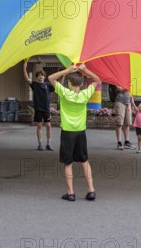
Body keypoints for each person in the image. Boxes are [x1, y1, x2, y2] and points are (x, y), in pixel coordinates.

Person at [48, 64, 100, 202]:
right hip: (80, 132)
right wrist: (84, 69)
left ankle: (70, 193)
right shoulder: (85, 94)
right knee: (84, 161)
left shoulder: (64, 93)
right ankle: (91, 191)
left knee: (68, 163)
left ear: (69, 83)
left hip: (67, 132)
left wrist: (68, 70)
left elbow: (51, 78)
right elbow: (97, 80)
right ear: (82, 83)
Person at [23, 60, 55, 151]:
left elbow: (57, 86)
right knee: (39, 126)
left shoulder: (48, 85)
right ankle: (40, 144)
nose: (41, 77)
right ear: (37, 77)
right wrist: (24, 69)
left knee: (48, 126)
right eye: (39, 75)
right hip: (38, 109)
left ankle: (48, 144)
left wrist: (63, 76)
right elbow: (27, 79)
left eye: (42, 75)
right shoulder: (34, 85)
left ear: (44, 77)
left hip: (46, 109)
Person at [113, 86, 137, 150]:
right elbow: (118, 88)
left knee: (127, 123)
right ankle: (119, 143)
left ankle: (126, 142)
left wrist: (133, 106)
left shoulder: (130, 81)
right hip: (120, 103)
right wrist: (125, 88)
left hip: (128, 104)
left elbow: (131, 96)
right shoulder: (119, 79)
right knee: (119, 123)